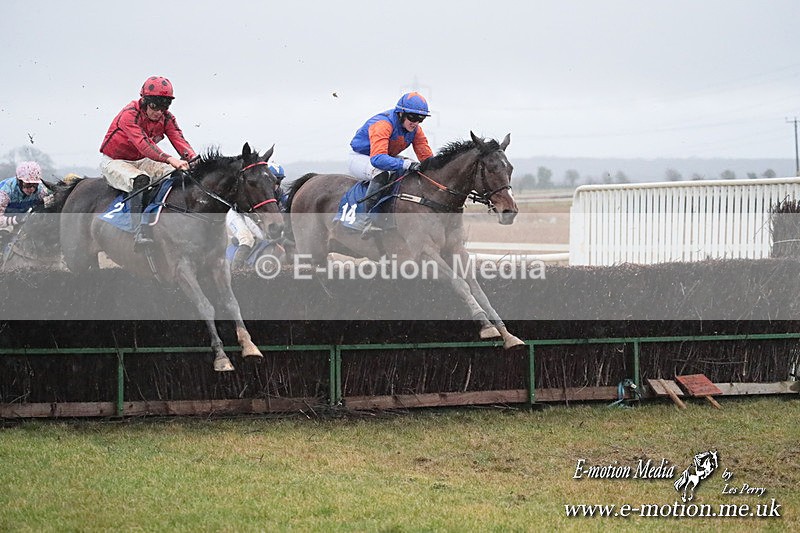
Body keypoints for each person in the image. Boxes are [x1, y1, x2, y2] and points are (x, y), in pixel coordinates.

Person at [99, 75, 197, 247]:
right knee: (140, 180)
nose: (159, 111)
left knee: (180, 175)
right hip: (115, 161)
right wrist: (170, 159)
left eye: (164, 106)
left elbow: (180, 141)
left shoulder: (166, 118)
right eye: (154, 105)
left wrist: (194, 160)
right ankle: (138, 233)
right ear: (144, 100)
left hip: (142, 160)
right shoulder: (129, 115)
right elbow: (144, 145)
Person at [348, 92, 434, 231]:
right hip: (361, 157)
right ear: (400, 113)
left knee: (414, 169)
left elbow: (427, 160)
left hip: (383, 156)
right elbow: (377, 159)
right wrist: (404, 164)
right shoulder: (383, 124)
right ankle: (365, 220)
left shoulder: (416, 130)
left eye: (421, 118)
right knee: (381, 174)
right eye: (412, 117)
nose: (416, 122)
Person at [226, 162, 285, 269]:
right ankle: (235, 272)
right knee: (247, 240)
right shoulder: (255, 190)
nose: (277, 185)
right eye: (275, 180)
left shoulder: (279, 193)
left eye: (279, 181)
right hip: (236, 214)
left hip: (250, 215)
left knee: (267, 237)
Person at [0, 161, 55, 235]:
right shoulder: (5, 192)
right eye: (28, 184)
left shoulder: (40, 191)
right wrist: (16, 220)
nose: (31, 189)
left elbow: (53, 198)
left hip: (20, 222)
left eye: (35, 185)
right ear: (19, 181)